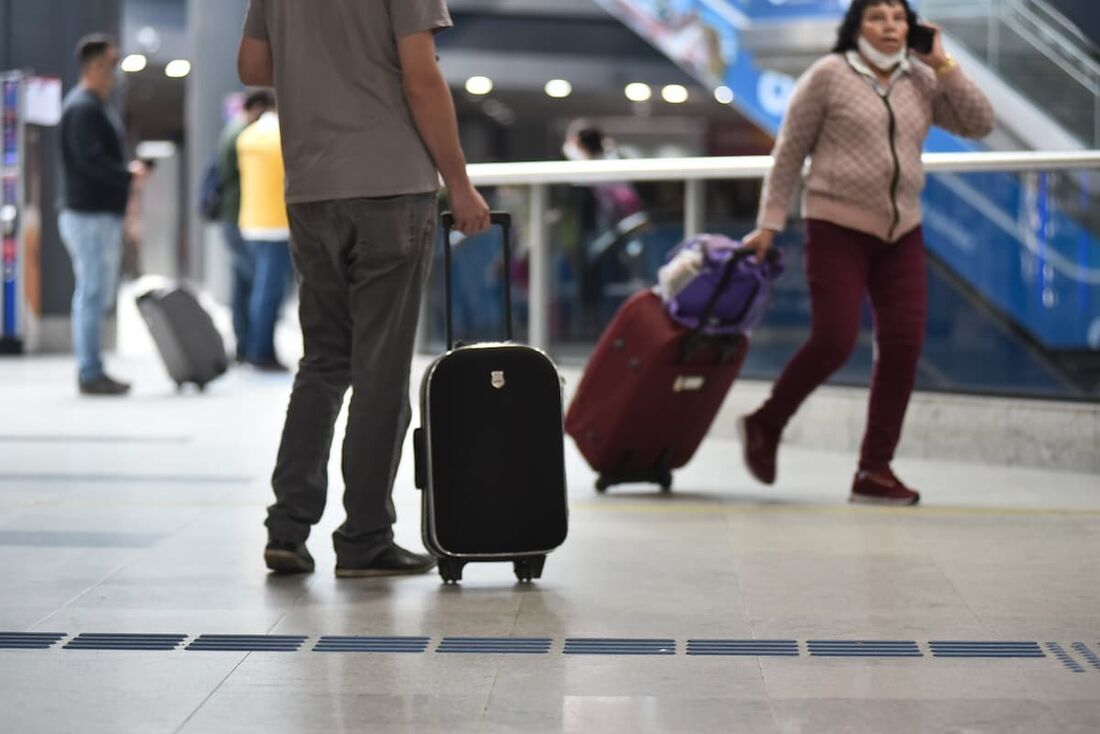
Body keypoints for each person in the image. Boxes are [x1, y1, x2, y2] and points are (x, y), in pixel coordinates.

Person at [238, 0, 490, 576]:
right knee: (379, 369)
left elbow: (252, 66)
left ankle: (288, 528)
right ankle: (365, 537)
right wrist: (459, 183)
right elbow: (422, 79)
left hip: (310, 190)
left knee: (323, 362)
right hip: (388, 186)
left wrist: (319, 64)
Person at [737, 0, 994, 505]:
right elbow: (788, 153)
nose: (891, 27)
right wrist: (768, 223)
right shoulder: (827, 76)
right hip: (836, 225)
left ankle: (874, 470)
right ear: (857, 26)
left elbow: (978, 122)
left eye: (899, 18)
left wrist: (943, 63)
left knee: (903, 346)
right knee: (833, 340)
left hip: (903, 230)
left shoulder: (921, 80)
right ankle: (767, 423)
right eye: (878, 17)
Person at [58, 35, 146, 396]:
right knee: (92, 294)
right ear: (95, 67)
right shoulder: (84, 108)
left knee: (94, 293)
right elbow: (91, 162)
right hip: (89, 216)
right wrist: (128, 174)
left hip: (93, 215)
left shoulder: (91, 106)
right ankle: (90, 371)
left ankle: (92, 368)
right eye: (111, 67)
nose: (115, 75)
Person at [216, 89, 276, 363]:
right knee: (258, 285)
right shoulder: (246, 135)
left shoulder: (233, 131)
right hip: (245, 216)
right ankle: (255, 349)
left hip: (235, 217)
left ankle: (243, 346)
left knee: (242, 284)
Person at [235, 102, 292, 371]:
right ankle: (261, 351)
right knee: (269, 294)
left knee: (253, 290)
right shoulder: (284, 136)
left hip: (250, 222)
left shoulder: (247, 136)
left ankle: (248, 347)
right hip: (277, 226)